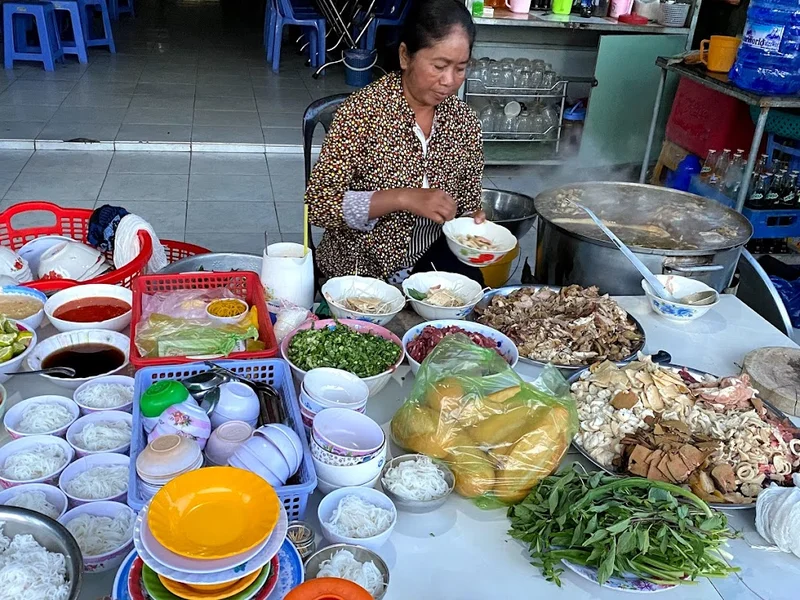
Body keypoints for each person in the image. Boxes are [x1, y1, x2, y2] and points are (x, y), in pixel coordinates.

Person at [305, 0, 485, 285]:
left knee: (479, 302)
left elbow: (467, 202)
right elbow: (320, 204)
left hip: (430, 261)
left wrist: (473, 221)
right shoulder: (362, 113)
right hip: (359, 267)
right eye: (439, 66)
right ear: (405, 56)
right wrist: (402, 198)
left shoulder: (464, 122)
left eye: (461, 69)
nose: (449, 81)